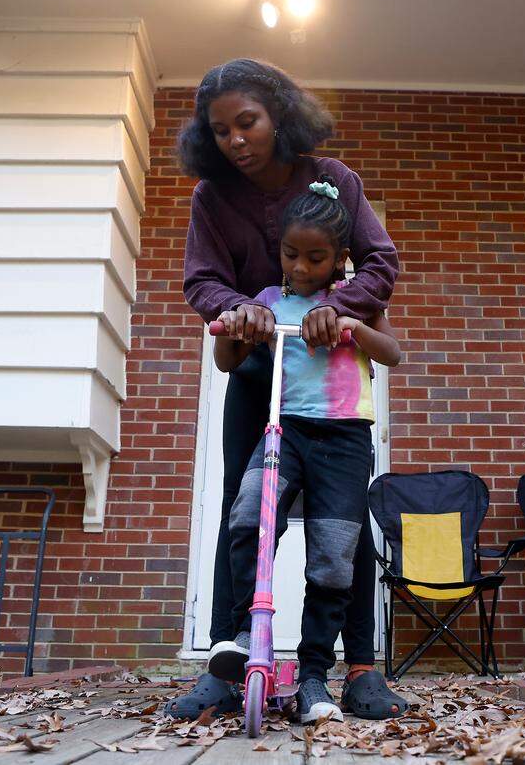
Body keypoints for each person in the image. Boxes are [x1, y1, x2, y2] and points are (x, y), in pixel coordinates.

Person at [166, 59, 406, 721]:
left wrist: (339, 310)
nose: (236, 140)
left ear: (278, 114)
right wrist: (242, 309)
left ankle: (356, 670)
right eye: (221, 131)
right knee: (244, 515)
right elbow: (201, 282)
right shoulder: (212, 200)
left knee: (343, 524)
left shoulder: (335, 181)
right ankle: (230, 657)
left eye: (248, 122)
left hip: (329, 386)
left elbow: (381, 260)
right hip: (258, 377)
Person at [213, 176, 402, 722]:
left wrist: (349, 326)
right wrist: (237, 324)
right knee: (249, 516)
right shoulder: (271, 302)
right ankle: (248, 633)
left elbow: (392, 353)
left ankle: (316, 676)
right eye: (290, 254)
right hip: (285, 429)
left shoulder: (356, 300)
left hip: (344, 439)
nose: (300, 267)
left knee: (333, 558)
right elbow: (227, 360)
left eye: (315, 258)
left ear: (340, 258)